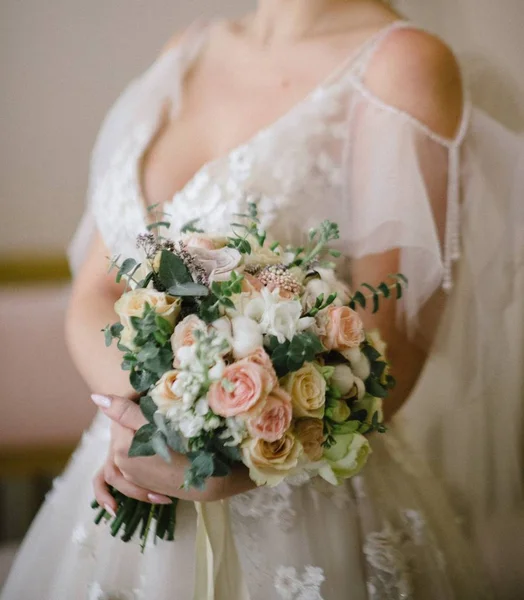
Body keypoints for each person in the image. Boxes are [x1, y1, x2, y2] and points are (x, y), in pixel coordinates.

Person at [3, 0, 521, 598]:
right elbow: (97, 289)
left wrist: (230, 458)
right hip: (126, 466)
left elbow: (393, 346)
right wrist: (156, 423)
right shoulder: (186, 51)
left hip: (296, 502)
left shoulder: (401, 63)